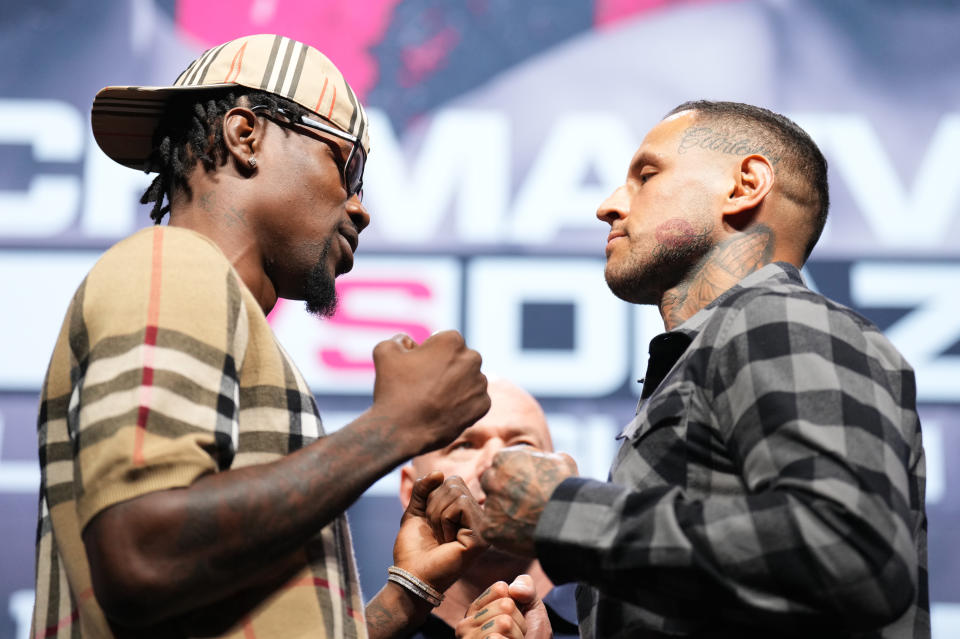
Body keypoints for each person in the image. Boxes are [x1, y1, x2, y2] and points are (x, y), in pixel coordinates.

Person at [32, 34, 491, 639]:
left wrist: (405, 596)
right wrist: (394, 428)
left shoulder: (218, 304)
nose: (360, 208)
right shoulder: (173, 266)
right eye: (347, 165)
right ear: (245, 135)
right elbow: (140, 555)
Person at [478, 101, 928, 638]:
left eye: (646, 175)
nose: (608, 206)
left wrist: (562, 511)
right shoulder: (717, 349)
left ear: (745, 186)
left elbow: (850, 555)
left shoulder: (776, 318)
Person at [398, 378, 579, 639]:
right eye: (465, 445)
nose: (496, 462)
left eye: (522, 445)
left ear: (558, 477)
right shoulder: (368, 631)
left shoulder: (621, 623)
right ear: (410, 491)